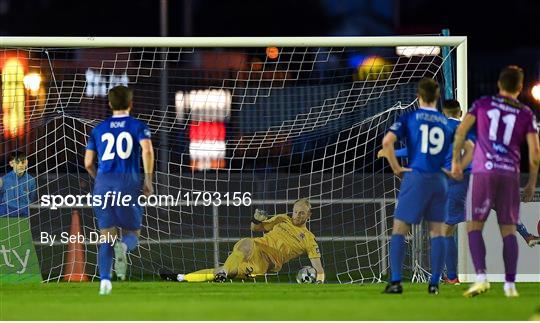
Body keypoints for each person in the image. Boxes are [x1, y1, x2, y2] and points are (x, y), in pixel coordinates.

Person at [451, 66, 539, 298]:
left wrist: (455, 162)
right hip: (510, 174)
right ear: (520, 88)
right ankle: (510, 285)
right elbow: (535, 151)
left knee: (473, 226)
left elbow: (461, 132)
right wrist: (531, 182)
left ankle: (481, 277)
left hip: (484, 172)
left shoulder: (482, 104)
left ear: (499, 84)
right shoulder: (526, 113)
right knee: (508, 230)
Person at [378, 99, 475, 285]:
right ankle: (452, 276)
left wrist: (392, 153)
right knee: (450, 229)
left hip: (448, 182)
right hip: (470, 181)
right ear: (460, 112)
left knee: (440, 231)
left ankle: (450, 277)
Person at [381, 78, 454, 295]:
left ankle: (395, 282)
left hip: (417, 176)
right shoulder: (444, 121)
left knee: (400, 229)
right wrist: (455, 167)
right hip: (439, 180)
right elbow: (466, 146)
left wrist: (396, 168)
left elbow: (387, 143)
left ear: (418, 96)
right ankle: (434, 284)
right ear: (438, 96)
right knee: (437, 232)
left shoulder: (411, 117)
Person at [85, 85, 154, 295]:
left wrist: (100, 181)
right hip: (127, 185)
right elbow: (147, 150)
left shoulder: (98, 129)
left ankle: (105, 282)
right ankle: (124, 248)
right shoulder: (137, 126)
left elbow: (88, 163)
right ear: (131, 104)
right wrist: (148, 180)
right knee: (133, 232)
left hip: (103, 186)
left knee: (106, 236)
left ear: (109, 104)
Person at [160, 198, 325, 283]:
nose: (297, 215)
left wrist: (318, 284)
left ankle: (221, 274)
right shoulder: (282, 219)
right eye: (295, 211)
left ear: (309, 215)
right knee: (247, 242)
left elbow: (319, 269)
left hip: (265, 263)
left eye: (302, 213)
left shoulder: (309, 240)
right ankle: (180, 277)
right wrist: (256, 219)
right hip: (256, 247)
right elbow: (256, 229)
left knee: (224, 271)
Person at [0, 151, 37, 217]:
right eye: (17, 162)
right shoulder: (4, 179)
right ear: (11, 163)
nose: (20, 165)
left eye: (23, 162)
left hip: (23, 210)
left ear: (26, 163)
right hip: (6, 211)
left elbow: (32, 197)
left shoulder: (31, 180)